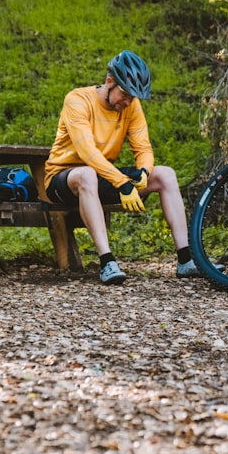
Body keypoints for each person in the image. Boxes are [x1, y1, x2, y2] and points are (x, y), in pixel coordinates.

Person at [43, 50, 202, 285]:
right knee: (87, 174)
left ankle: (186, 260)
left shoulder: (131, 106)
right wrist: (122, 183)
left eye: (134, 97)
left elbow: (143, 148)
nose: (128, 102)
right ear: (110, 82)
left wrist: (144, 172)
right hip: (64, 178)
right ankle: (107, 262)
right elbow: (87, 153)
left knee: (166, 174)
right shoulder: (77, 100)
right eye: (125, 94)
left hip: (103, 176)